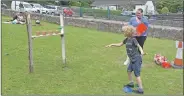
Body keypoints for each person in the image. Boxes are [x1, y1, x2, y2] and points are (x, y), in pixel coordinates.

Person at [106, 25, 146, 94]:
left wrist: (142, 51)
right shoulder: (126, 39)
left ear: (128, 32)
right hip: (132, 59)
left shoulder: (133, 39)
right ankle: (131, 83)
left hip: (136, 59)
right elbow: (120, 44)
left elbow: (139, 46)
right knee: (129, 70)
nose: (123, 33)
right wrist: (112, 44)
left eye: (123, 32)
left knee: (137, 74)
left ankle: (140, 89)